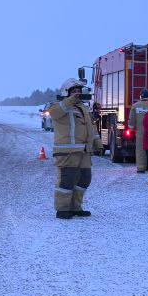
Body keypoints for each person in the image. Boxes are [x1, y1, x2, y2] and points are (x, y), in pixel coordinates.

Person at [46, 78, 99, 218]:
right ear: (66, 92)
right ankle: (62, 209)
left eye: (79, 91)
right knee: (67, 179)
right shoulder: (58, 106)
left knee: (84, 179)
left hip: (83, 151)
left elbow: (91, 127)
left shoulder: (83, 108)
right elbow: (55, 114)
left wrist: (96, 142)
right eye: (74, 91)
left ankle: (76, 207)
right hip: (67, 151)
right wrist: (70, 100)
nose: (77, 94)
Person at [129, 89, 148, 173]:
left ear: (141, 96)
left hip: (140, 132)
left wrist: (131, 128)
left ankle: (141, 167)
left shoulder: (135, 106)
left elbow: (132, 119)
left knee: (140, 150)